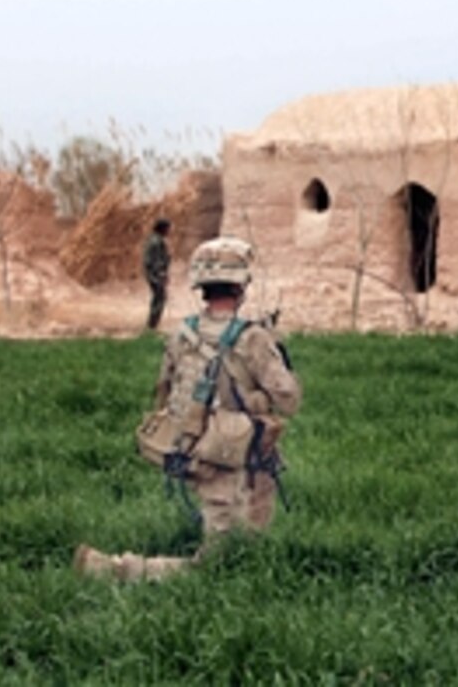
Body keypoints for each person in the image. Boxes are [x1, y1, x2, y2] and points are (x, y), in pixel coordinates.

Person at [75, 236, 302, 582]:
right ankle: (117, 570)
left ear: (202, 287)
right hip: (235, 461)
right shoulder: (253, 338)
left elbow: (164, 392)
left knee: (248, 551)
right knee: (218, 564)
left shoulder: (183, 333)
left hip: (195, 451)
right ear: (241, 287)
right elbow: (289, 400)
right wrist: (279, 359)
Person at [143, 218, 172, 329]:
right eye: (168, 228)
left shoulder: (155, 239)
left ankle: (152, 324)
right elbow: (155, 260)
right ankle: (152, 325)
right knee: (160, 298)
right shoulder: (156, 242)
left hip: (154, 273)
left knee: (159, 297)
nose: (170, 231)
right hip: (155, 275)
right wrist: (161, 274)